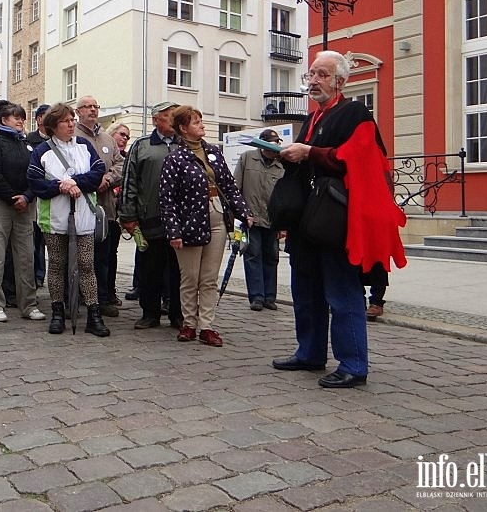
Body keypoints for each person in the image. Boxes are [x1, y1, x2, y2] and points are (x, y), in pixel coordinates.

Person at [272, 51, 406, 388]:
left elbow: (360, 158)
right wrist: (292, 155)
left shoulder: (354, 113)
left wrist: (310, 153)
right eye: (311, 74)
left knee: (342, 293)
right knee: (306, 290)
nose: (313, 80)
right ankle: (311, 353)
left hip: (338, 221)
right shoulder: (314, 118)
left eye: (321, 74)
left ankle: (354, 365)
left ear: (340, 81)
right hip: (310, 220)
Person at [159, 106, 252, 347]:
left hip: (216, 215)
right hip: (189, 220)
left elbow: (229, 186)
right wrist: (173, 231)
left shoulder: (214, 152)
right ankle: (188, 323)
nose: (202, 125)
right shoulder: (174, 158)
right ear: (182, 128)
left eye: (201, 121)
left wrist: (244, 212)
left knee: (209, 278)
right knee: (190, 277)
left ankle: (206, 326)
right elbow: (166, 199)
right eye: (196, 122)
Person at [27, 103, 109, 336]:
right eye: (66, 121)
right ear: (54, 126)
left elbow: (97, 173)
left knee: (86, 265)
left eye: (72, 119)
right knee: (57, 265)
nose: (71, 124)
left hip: (83, 217)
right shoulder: (42, 151)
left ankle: (94, 314)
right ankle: (57, 312)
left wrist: (75, 183)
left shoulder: (84, 146)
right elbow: (35, 182)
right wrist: (60, 186)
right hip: (53, 218)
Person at [0, 100, 45, 322]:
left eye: (22, 117)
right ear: (3, 120)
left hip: (25, 206)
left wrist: (27, 196)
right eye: (16, 117)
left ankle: (28, 304)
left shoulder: (27, 145)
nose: (20, 121)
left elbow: (36, 173)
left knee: (26, 256)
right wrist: (12, 197)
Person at [119, 101, 183, 330]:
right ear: (156, 119)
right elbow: (129, 181)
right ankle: (150, 313)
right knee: (150, 268)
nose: (175, 122)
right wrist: (128, 216)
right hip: (149, 218)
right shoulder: (142, 145)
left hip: (180, 220)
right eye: (170, 117)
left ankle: (178, 313)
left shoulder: (185, 144)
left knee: (179, 270)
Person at [75, 96, 124, 317]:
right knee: (79, 256)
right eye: (88, 106)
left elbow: (119, 164)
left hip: (105, 207)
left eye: (96, 106)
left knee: (103, 256)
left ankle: (102, 298)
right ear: (78, 111)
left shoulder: (107, 138)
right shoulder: (72, 136)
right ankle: (76, 297)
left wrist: (108, 179)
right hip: (80, 204)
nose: (93, 110)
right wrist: (94, 181)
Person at [234, 128, 285, 311]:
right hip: (251, 219)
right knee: (252, 256)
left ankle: (270, 297)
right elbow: (236, 187)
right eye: (271, 145)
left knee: (272, 258)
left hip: (273, 221)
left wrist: (283, 223)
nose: (274, 149)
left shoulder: (281, 165)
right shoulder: (248, 158)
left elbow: (284, 196)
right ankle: (256, 296)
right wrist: (241, 213)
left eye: (276, 145)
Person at [26, 104, 51, 290]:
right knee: (35, 241)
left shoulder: (56, 140)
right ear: (39, 119)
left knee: (47, 239)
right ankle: (36, 275)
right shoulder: (29, 140)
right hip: (34, 198)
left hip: (51, 196)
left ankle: (42, 274)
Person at [106, 122, 131, 301]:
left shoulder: (128, 158)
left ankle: (110, 290)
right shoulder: (105, 152)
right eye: (122, 134)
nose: (124, 139)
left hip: (118, 213)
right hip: (103, 209)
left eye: (127, 137)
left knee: (112, 253)